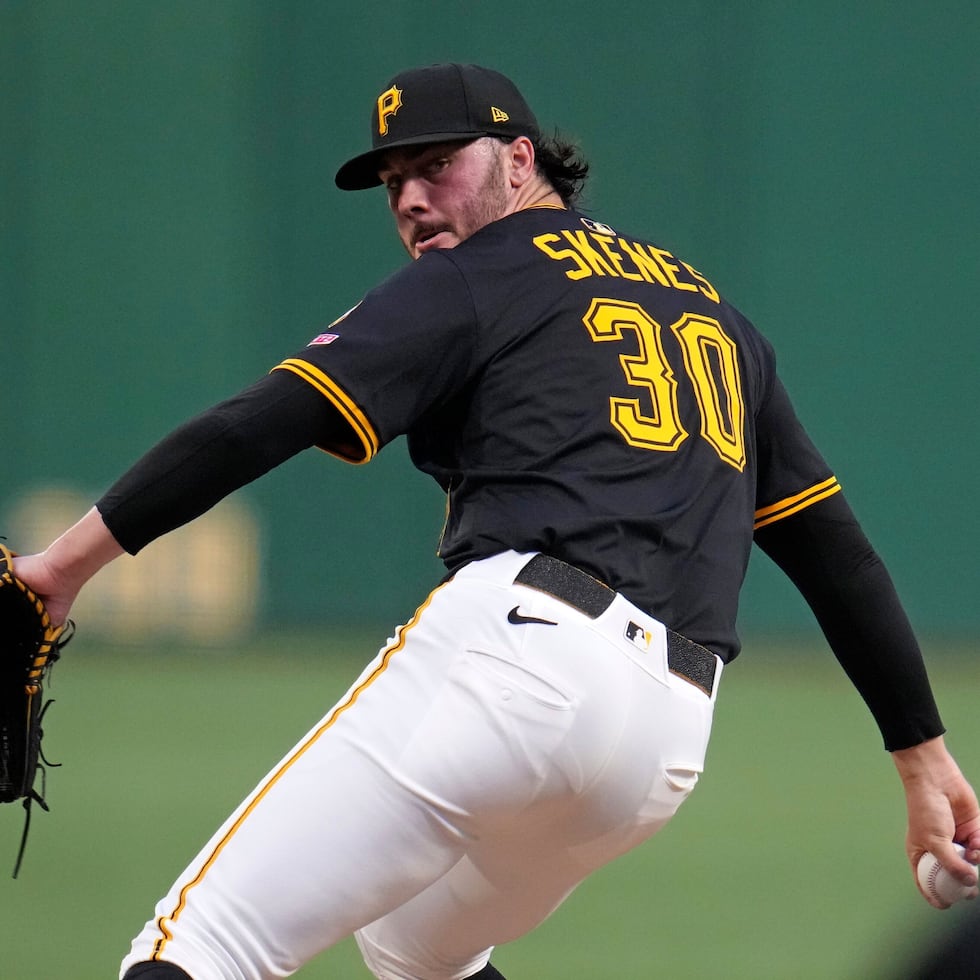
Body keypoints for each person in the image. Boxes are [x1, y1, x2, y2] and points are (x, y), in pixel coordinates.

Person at [10, 62, 980, 980]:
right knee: (410, 945)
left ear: (519, 162)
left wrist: (64, 564)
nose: (412, 199)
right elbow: (829, 546)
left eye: (437, 164)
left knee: (202, 937)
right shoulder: (715, 316)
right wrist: (921, 754)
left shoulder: (482, 273)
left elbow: (266, 416)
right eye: (392, 182)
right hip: (663, 741)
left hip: (519, 659)